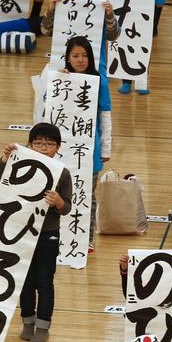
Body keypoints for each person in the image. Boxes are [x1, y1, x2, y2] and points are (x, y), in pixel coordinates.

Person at [0, 123, 72, 342]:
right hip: (20, 231)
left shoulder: (62, 173)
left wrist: (58, 202)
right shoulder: (20, 163)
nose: (43, 148)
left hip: (48, 234)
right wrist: (5, 158)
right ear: (30, 144)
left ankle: (44, 325)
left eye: (49, 144)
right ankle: (28, 320)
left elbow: (67, 208)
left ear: (58, 147)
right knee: (24, 279)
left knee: (44, 280)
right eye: (38, 143)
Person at [61, 36, 111, 252]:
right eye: (75, 56)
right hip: (63, 148)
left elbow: (105, 115)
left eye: (84, 55)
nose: (80, 60)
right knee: (62, 193)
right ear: (68, 58)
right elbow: (47, 107)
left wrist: (106, 147)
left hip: (90, 148)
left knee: (87, 195)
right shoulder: (59, 78)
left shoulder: (99, 81)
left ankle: (86, 237)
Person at [42, 0, 118, 74]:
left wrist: (110, 15)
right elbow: (46, 31)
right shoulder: (62, 4)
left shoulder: (103, 7)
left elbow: (113, 36)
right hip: (65, 67)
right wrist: (50, 11)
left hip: (95, 66)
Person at [119, 253, 172, 342]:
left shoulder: (170, 292)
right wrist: (125, 270)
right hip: (145, 312)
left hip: (168, 310)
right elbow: (128, 291)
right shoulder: (137, 296)